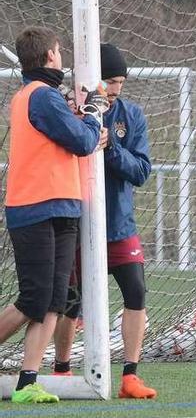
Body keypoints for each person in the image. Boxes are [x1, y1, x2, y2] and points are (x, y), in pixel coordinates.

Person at [0, 27, 104, 403]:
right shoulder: (40, 96)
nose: (62, 58)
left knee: (55, 301)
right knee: (34, 298)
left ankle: (28, 381)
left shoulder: (47, 97)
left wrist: (85, 121)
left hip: (62, 205)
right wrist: (93, 115)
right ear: (48, 57)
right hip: (34, 207)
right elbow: (81, 141)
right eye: (59, 52)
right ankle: (27, 378)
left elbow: (75, 138)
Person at [51, 43, 155, 398]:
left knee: (136, 292)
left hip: (119, 225)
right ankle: (61, 370)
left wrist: (111, 148)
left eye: (120, 82)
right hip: (75, 224)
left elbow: (141, 171)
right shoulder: (68, 111)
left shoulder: (132, 116)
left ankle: (130, 376)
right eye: (109, 81)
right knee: (69, 302)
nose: (115, 89)